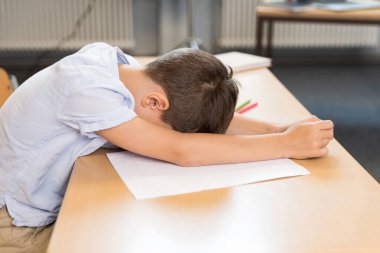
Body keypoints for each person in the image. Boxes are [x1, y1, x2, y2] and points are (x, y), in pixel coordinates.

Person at [0, 42, 334, 252]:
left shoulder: (126, 70)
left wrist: (277, 129)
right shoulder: (88, 92)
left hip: (40, 198)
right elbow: (180, 149)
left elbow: (193, 125)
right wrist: (282, 145)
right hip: (18, 221)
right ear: (155, 101)